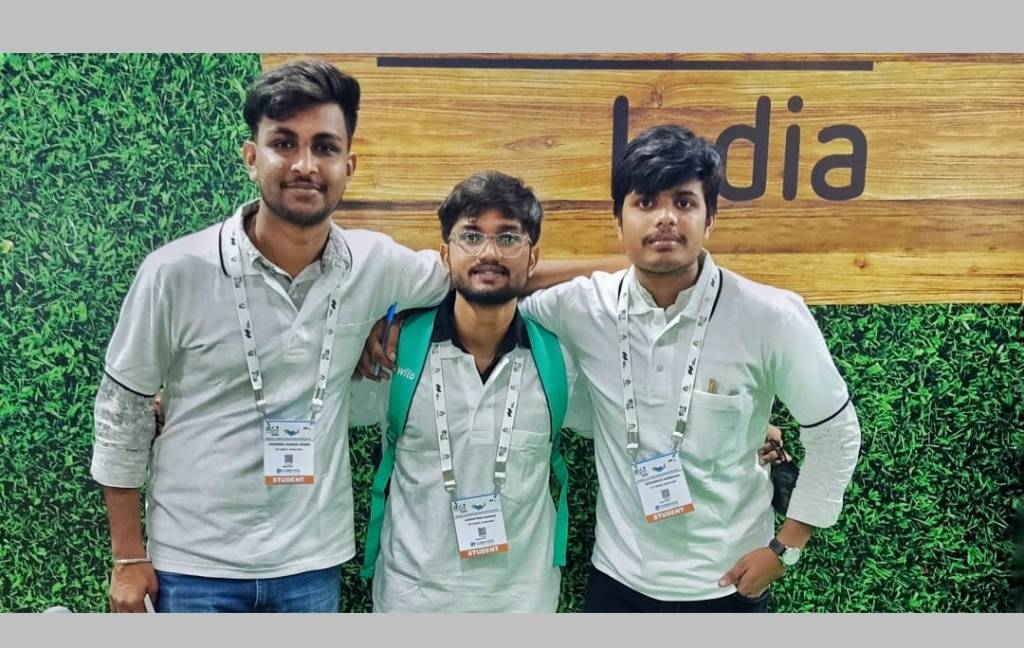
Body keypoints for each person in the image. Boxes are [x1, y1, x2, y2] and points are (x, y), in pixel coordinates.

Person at [90, 59, 457, 613]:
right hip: (194, 566)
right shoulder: (175, 271)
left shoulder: (375, 263)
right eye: (284, 143)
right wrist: (126, 557)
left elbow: (473, 277)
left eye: (325, 147)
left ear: (349, 165)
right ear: (251, 157)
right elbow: (122, 409)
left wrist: (393, 320)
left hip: (311, 564)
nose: (305, 165)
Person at [511, 124, 863, 612]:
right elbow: (497, 287)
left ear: (709, 218)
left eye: (683, 202)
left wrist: (787, 548)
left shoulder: (770, 315)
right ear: (618, 222)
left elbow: (836, 432)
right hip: (617, 581)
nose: (665, 218)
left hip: (727, 584)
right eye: (645, 203)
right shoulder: (582, 306)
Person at [350, 170, 593, 612]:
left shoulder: (560, 359)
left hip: (523, 603)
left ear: (533, 258)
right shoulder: (395, 352)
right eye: (471, 236)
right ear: (445, 254)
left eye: (508, 238)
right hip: (411, 602)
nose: (489, 253)